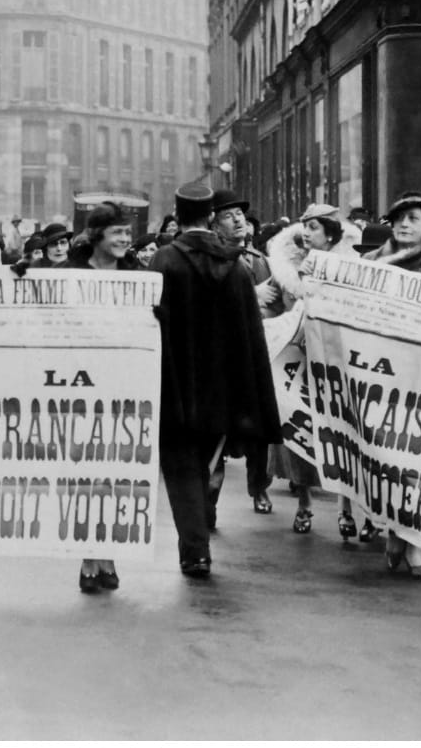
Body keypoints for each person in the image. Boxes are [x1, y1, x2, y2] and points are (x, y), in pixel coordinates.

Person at [150, 183, 281, 578]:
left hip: (174, 384)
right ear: (210, 216)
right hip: (224, 389)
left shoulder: (163, 261)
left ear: (177, 214)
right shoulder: (236, 266)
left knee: (180, 466)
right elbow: (250, 335)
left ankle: (195, 550)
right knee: (208, 459)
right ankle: (201, 523)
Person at [360, 193, 421, 579]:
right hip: (385, 374)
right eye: (399, 219)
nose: (404, 225)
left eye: (413, 219)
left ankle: (416, 542)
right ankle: (394, 532)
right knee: (389, 456)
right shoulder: (371, 264)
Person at [50, 202, 140, 593]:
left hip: (123, 389)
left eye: (127, 233)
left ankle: (108, 554)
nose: (124, 240)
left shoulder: (138, 275)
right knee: (82, 476)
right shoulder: (67, 273)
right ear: (97, 235)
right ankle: (88, 557)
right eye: (117, 233)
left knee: (116, 477)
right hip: (77, 389)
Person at [264, 203, 362, 536]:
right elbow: (267, 304)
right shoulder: (285, 270)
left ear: (331, 234)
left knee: (340, 434)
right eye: (304, 226)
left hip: (337, 362)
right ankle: (304, 503)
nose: (306, 233)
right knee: (299, 432)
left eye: (315, 227)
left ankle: (345, 508)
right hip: (298, 361)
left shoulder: (351, 268)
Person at [210, 189, 282, 516]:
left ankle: (259, 489)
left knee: (258, 432)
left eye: (240, 213)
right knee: (216, 435)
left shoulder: (258, 259)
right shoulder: (209, 260)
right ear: (213, 224)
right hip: (221, 361)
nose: (238, 219)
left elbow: (274, 308)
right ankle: (209, 497)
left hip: (254, 355)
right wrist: (254, 297)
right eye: (228, 215)